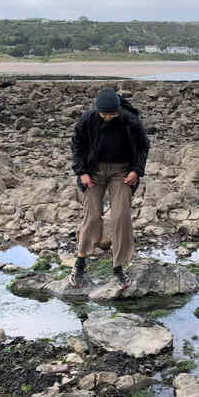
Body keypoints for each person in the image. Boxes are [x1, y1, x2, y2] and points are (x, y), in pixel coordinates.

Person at [68, 87, 150, 288]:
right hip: (93, 171)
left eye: (111, 114)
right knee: (93, 215)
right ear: (97, 110)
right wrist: (82, 172)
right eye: (103, 114)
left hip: (122, 172)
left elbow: (143, 147)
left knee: (120, 215)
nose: (107, 118)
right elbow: (76, 145)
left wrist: (136, 171)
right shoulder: (88, 119)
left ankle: (118, 267)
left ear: (118, 110)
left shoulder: (131, 121)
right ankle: (80, 263)